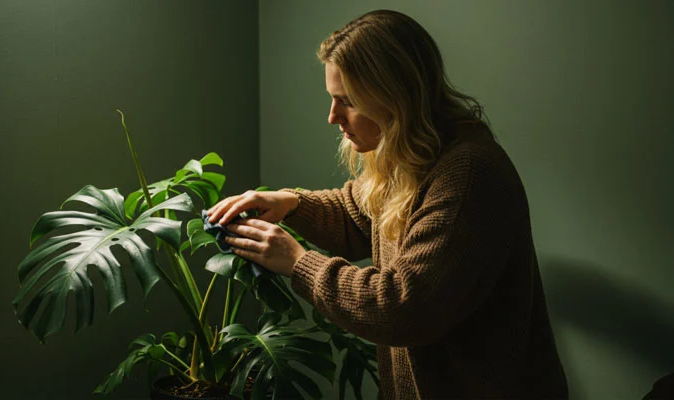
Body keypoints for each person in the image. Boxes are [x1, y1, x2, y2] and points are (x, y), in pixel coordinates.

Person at [206, 9, 568, 400]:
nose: (332, 117)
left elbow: (403, 308)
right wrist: (291, 204)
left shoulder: (466, 175)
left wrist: (297, 261)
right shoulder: (413, 155)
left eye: (347, 101)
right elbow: (358, 215)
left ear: (395, 97)